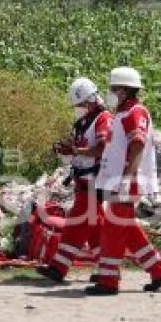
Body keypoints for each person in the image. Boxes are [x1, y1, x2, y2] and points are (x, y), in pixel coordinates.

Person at [89, 67, 161, 296]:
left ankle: (108, 281)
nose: (111, 92)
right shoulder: (122, 113)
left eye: (114, 89)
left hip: (126, 181)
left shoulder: (135, 112)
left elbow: (137, 144)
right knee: (127, 228)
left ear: (125, 90)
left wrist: (127, 178)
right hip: (117, 180)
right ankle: (158, 269)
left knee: (113, 230)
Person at [37, 78, 111, 283]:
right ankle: (108, 268)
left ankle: (58, 268)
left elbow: (102, 148)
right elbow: (79, 148)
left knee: (75, 224)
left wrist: (76, 150)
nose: (77, 109)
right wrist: (65, 151)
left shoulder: (103, 119)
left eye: (78, 105)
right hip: (83, 180)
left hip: (94, 181)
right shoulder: (84, 122)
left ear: (89, 101)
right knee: (95, 228)